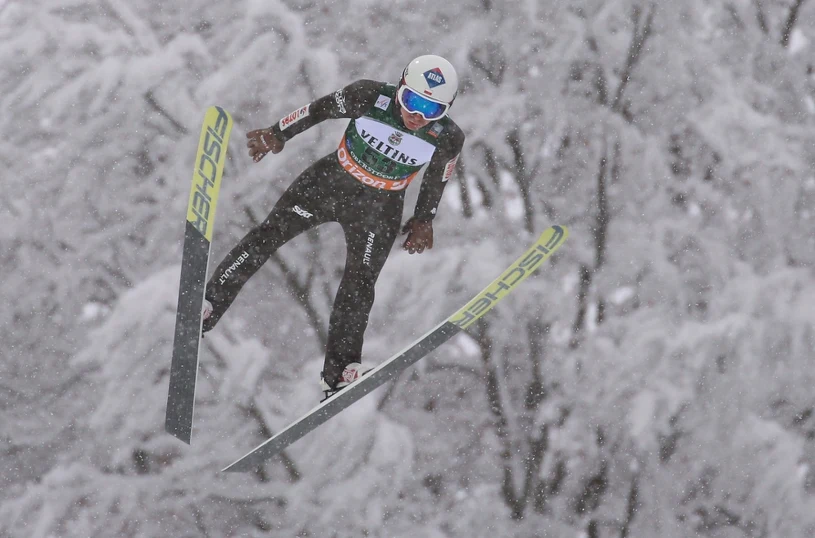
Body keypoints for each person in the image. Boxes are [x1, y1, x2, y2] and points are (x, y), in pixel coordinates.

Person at [202, 55, 465, 400]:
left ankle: (340, 371)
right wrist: (278, 134)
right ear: (400, 88)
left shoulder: (447, 136)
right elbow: (317, 109)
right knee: (267, 237)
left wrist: (424, 219)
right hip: (328, 184)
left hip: (380, 208)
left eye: (431, 110)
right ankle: (207, 305)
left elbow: (436, 179)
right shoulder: (369, 96)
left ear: (445, 111)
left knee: (360, 284)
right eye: (412, 101)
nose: (417, 115)